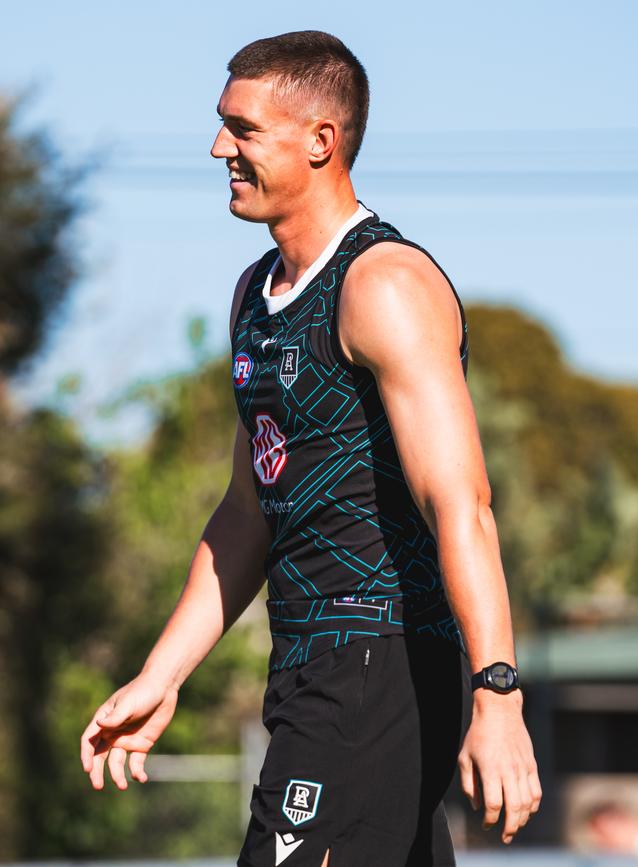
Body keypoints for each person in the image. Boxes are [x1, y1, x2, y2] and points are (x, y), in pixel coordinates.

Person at [80, 30, 542, 866]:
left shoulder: (384, 284)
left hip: (380, 663)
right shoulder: (254, 299)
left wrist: (498, 693)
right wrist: (162, 673)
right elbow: (245, 513)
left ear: (321, 141)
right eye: (224, 125)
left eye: (244, 128)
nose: (220, 146)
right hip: (308, 666)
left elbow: (461, 503)